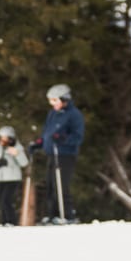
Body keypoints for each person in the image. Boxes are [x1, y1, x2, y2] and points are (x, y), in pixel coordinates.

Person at [28, 83, 85, 223]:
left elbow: (78, 137)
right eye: (50, 100)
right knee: (51, 185)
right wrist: (39, 143)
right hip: (52, 153)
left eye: (54, 100)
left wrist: (63, 139)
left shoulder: (74, 114)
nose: (52, 103)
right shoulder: (53, 113)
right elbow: (47, 133)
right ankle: (52, 214)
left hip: (65, 154)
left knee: (61, 184)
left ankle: (67, 215)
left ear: (64, 99)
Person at [0, 126, 29, 226]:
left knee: (6, 200)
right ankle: (4, 221)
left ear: (10, 138)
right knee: (1, 201)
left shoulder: (16, 148)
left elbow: (24, 163)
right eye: (1, 137)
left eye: (5, 137)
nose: (2, 140)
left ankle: (11, 222)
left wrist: (16, 154)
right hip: (0, 178)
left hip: (13, 178)